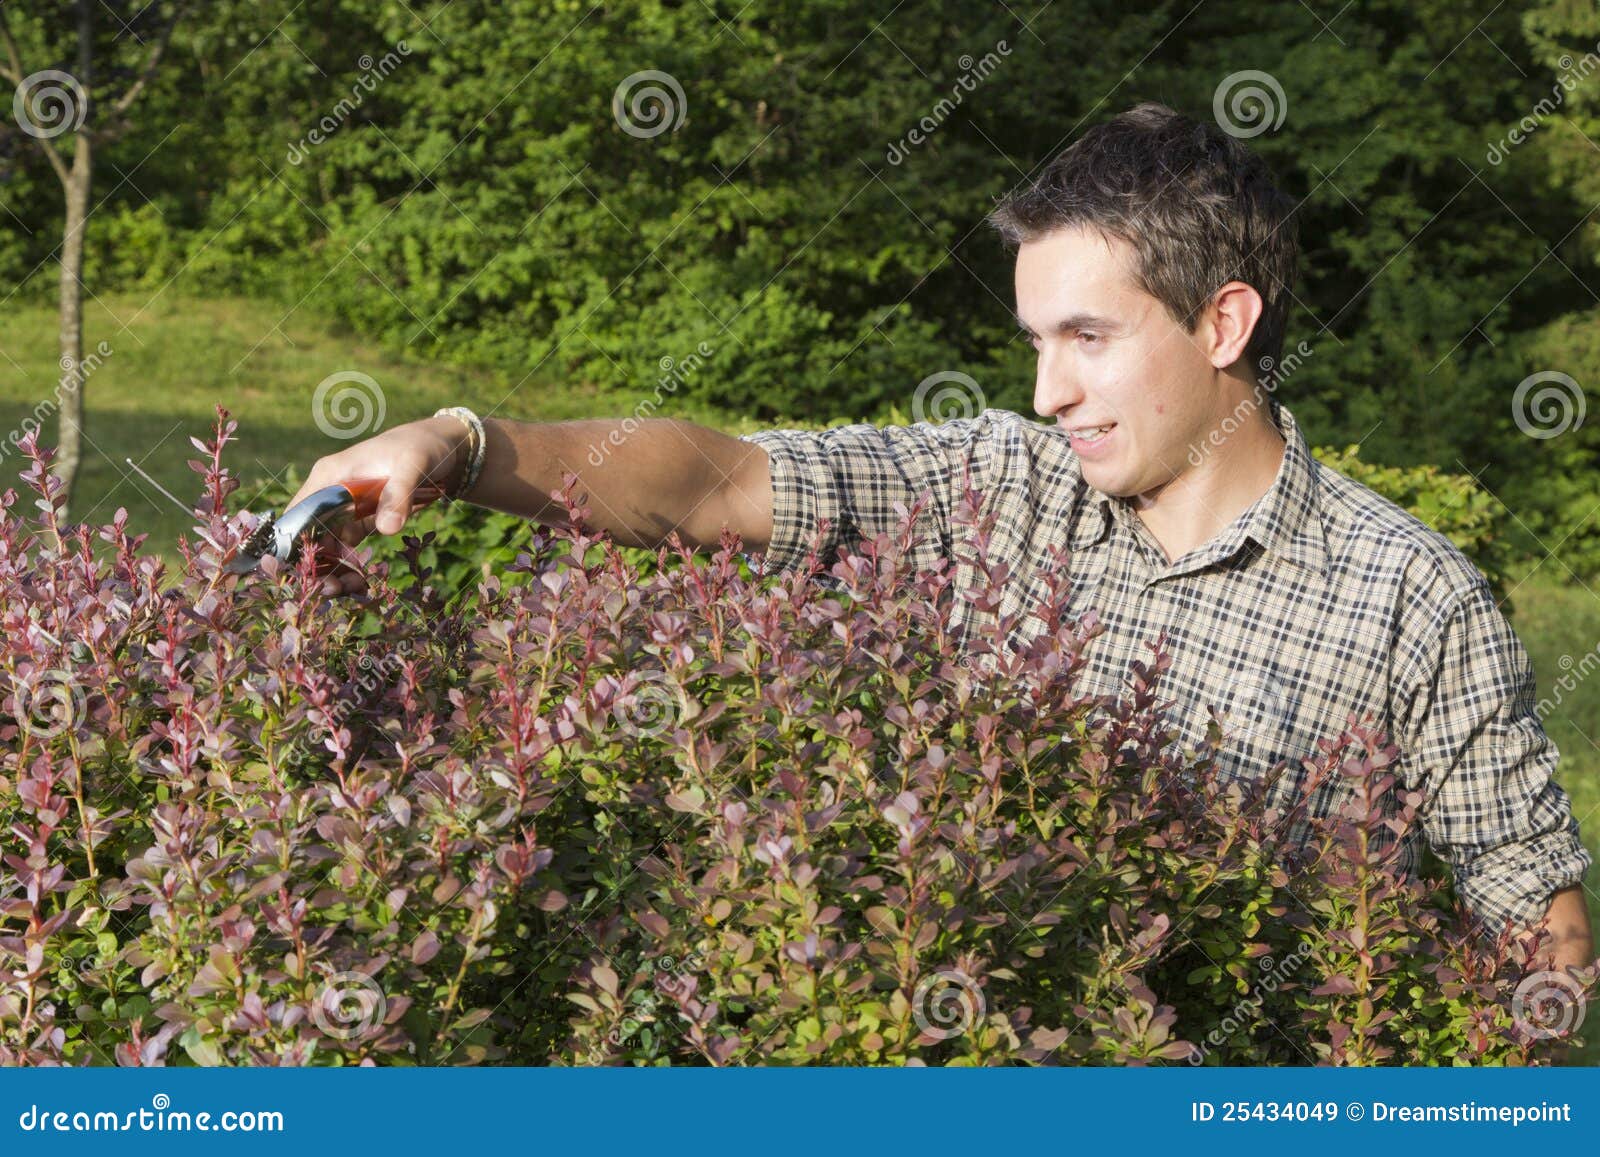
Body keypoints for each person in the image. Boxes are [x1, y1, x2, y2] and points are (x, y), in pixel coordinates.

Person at [286, 101, 1594, 974]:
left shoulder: (1412, 597)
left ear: (1224, 323)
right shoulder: (989, 487)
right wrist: (458, 444)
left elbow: (1544, 944)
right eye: (1037, 343)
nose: (1047, 393)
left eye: (1088, 338)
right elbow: (715, 483)